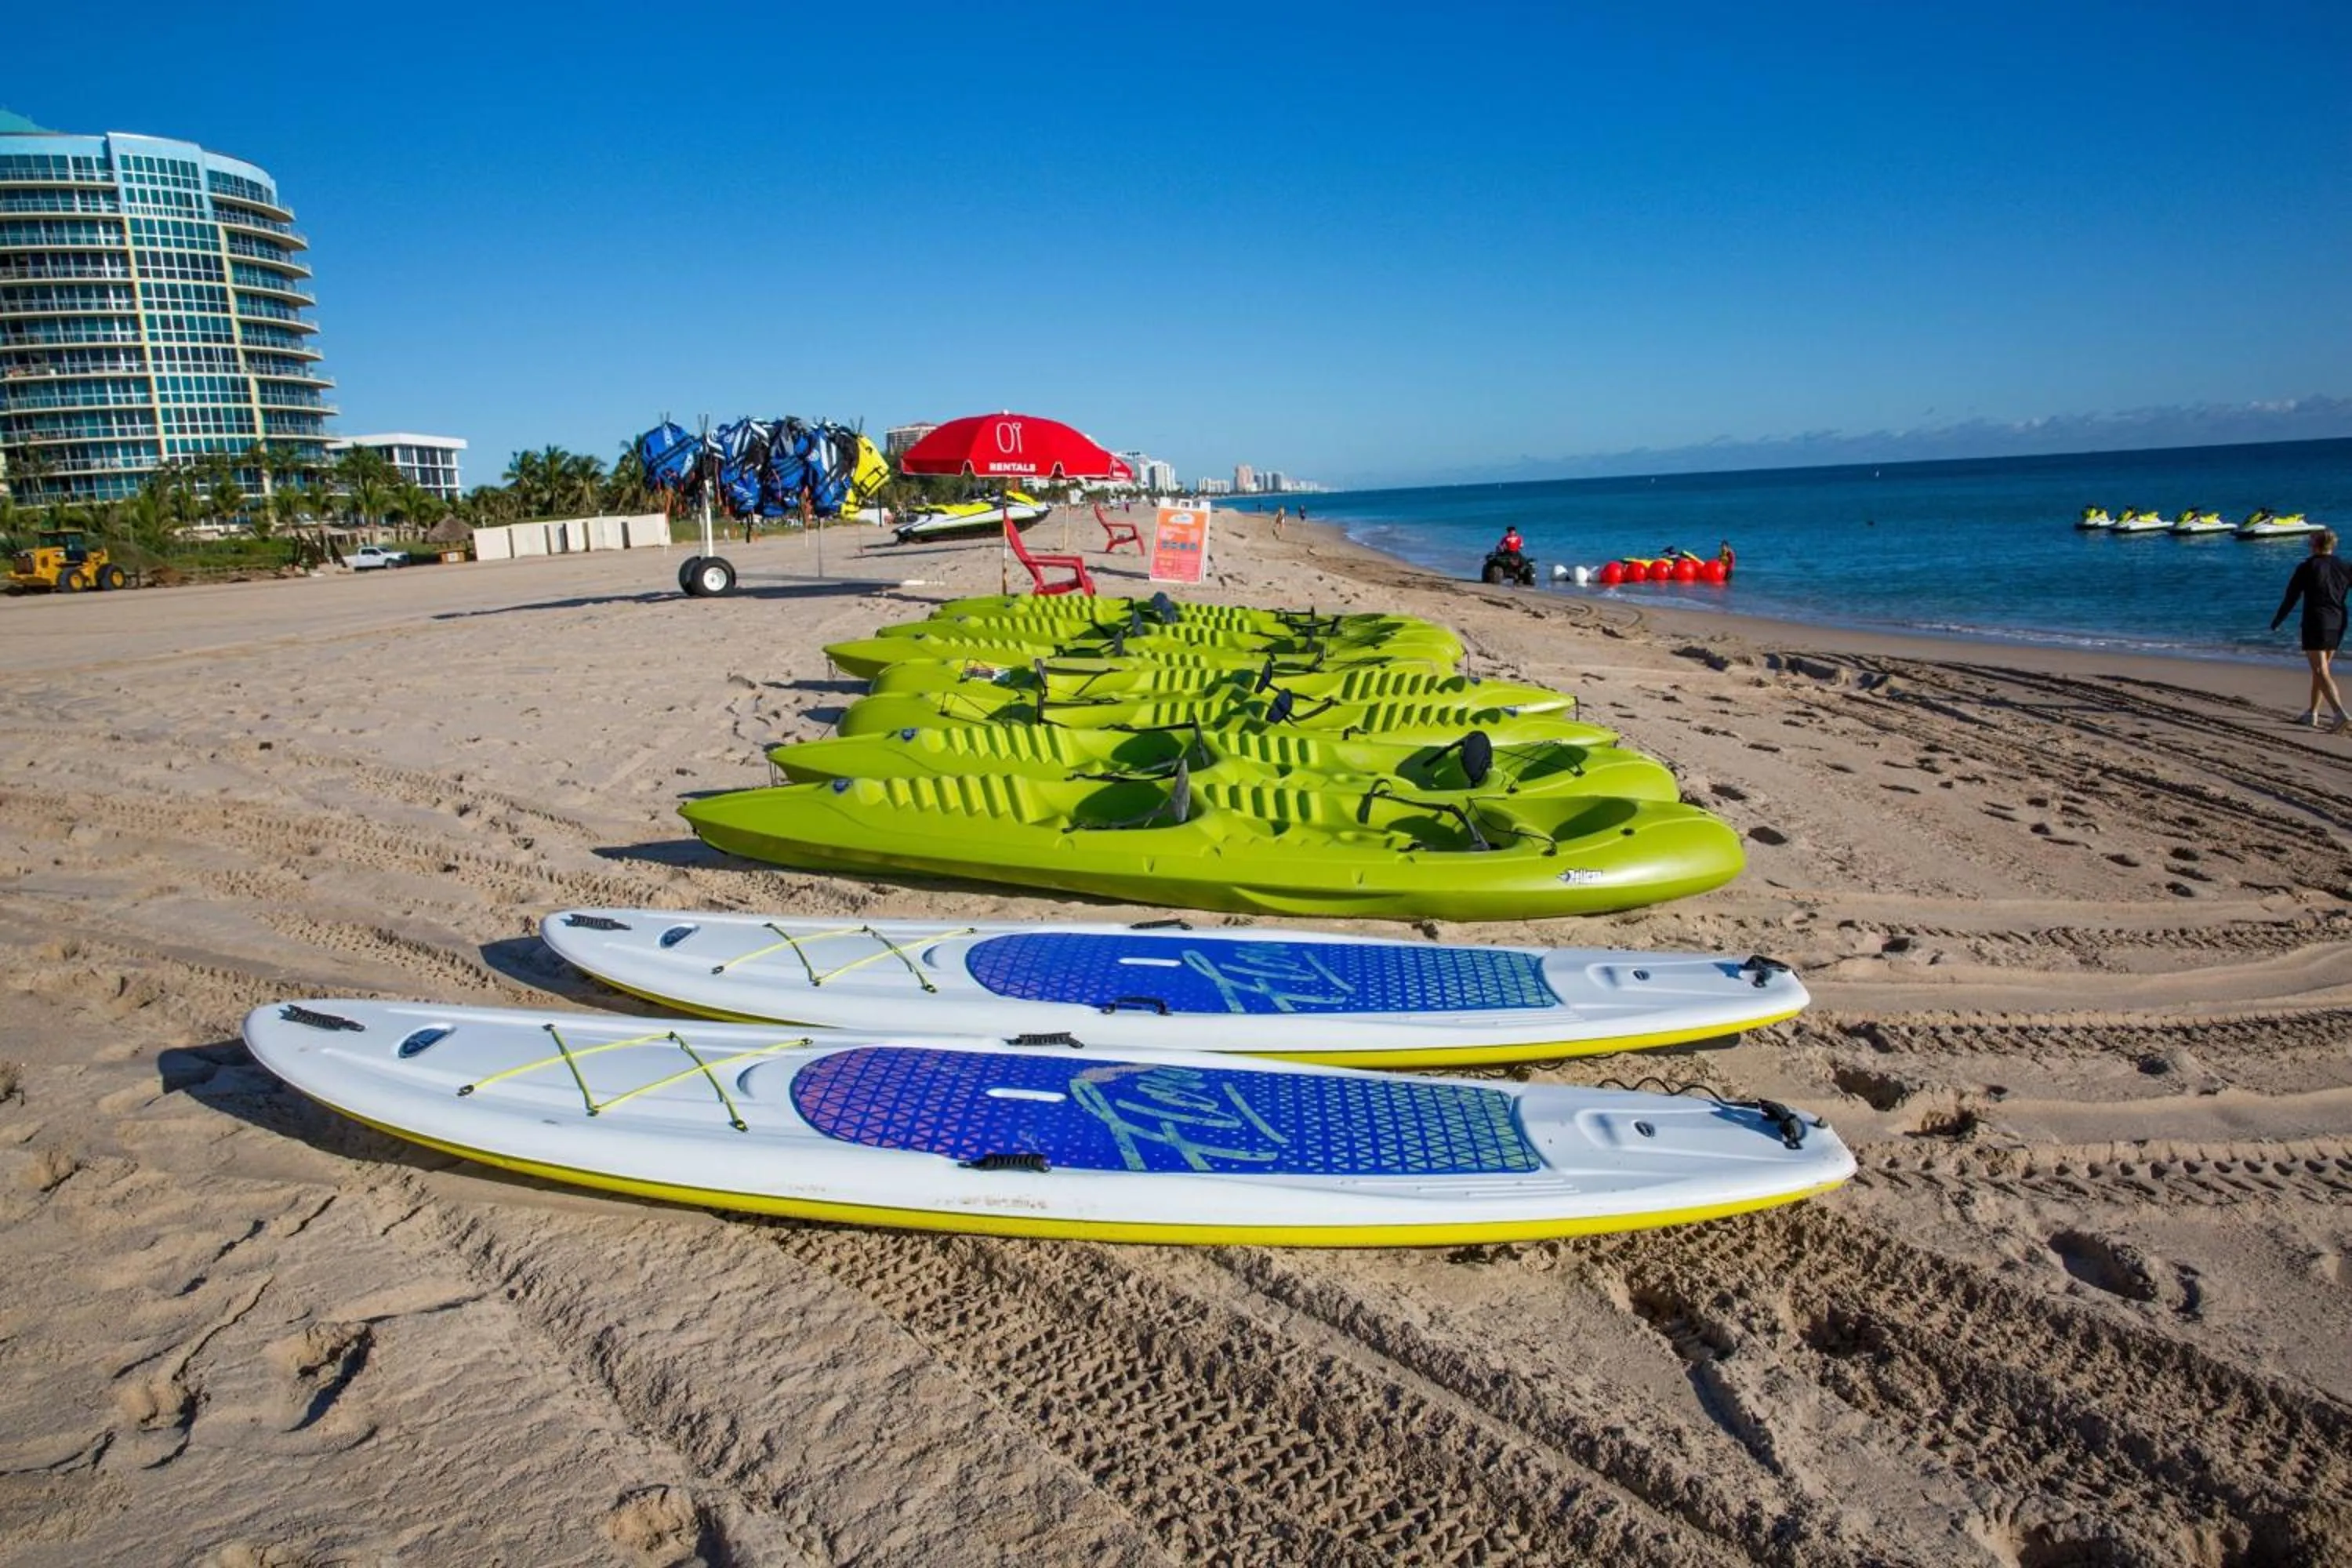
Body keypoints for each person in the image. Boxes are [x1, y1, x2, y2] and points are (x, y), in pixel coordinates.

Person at [2270, 528, 2352, 730]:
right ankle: (2312, 713)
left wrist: (2278, 620)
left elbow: (2292, 597)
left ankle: (2339, 713)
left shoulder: (2307, 567)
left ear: (2315, 545)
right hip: (2338, 622)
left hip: (2316, 621)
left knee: (2319, 669)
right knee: (2322, 670)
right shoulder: (2345, 567)